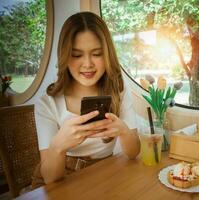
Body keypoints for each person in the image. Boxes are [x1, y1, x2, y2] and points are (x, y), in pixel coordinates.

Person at [32, 11, 140, 187]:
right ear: (65, 56)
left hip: (103, 173)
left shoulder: (118, 91)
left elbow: (134, 152)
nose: (88, 64)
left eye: (97, 54)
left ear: (107, 55)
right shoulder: (47, 103)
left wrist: (124, 131)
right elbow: (50, 178)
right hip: (60, 179)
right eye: (76, 55)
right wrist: (58, 146)